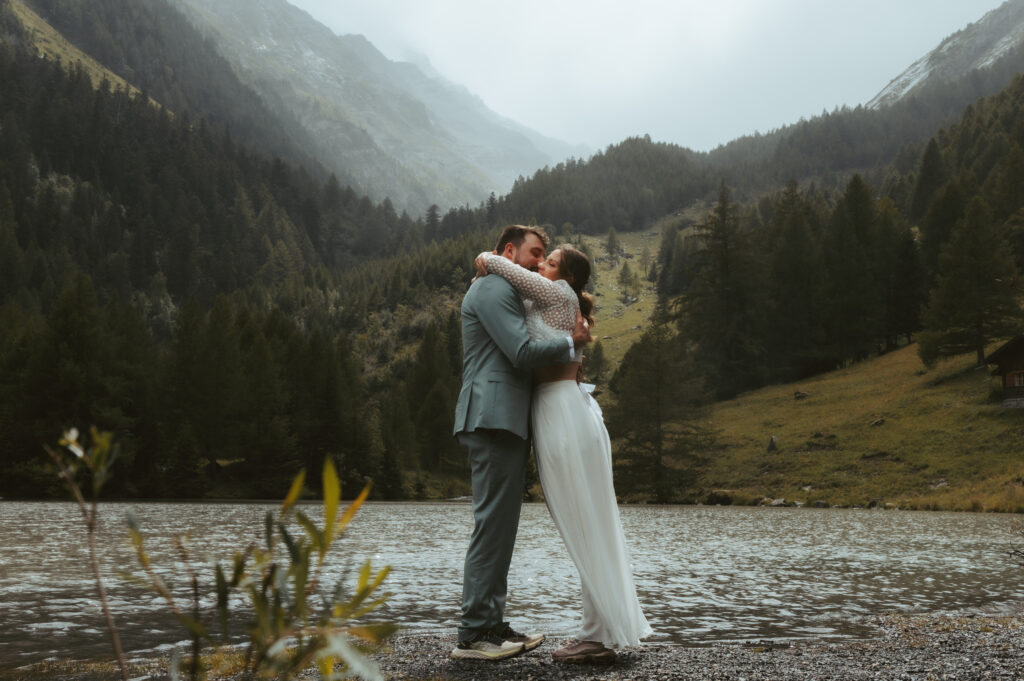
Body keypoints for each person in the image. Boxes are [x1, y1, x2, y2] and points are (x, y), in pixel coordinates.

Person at [473, 243, 652, 664]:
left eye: (549, 261)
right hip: (564, 407)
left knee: (583, 521)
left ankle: (597, 635)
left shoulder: (557, 294)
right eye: (542, 258)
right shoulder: (554, 298)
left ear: (567, 277)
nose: (540, 264)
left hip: (561, 412)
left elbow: (500, 266)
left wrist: (486, 255)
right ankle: (601, 629)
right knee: (586, 520)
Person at [451, 225, 591, 661]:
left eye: (544, 255)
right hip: (492, 416)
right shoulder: (493, 286)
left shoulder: (507, 288)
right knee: (493, 524)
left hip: (505, 418)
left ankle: (491, 623)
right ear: (508, 250)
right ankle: (474, 634)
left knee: (502, 526)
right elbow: (520, 351)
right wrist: (571, 343)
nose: (537, 261)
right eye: (534, 253)